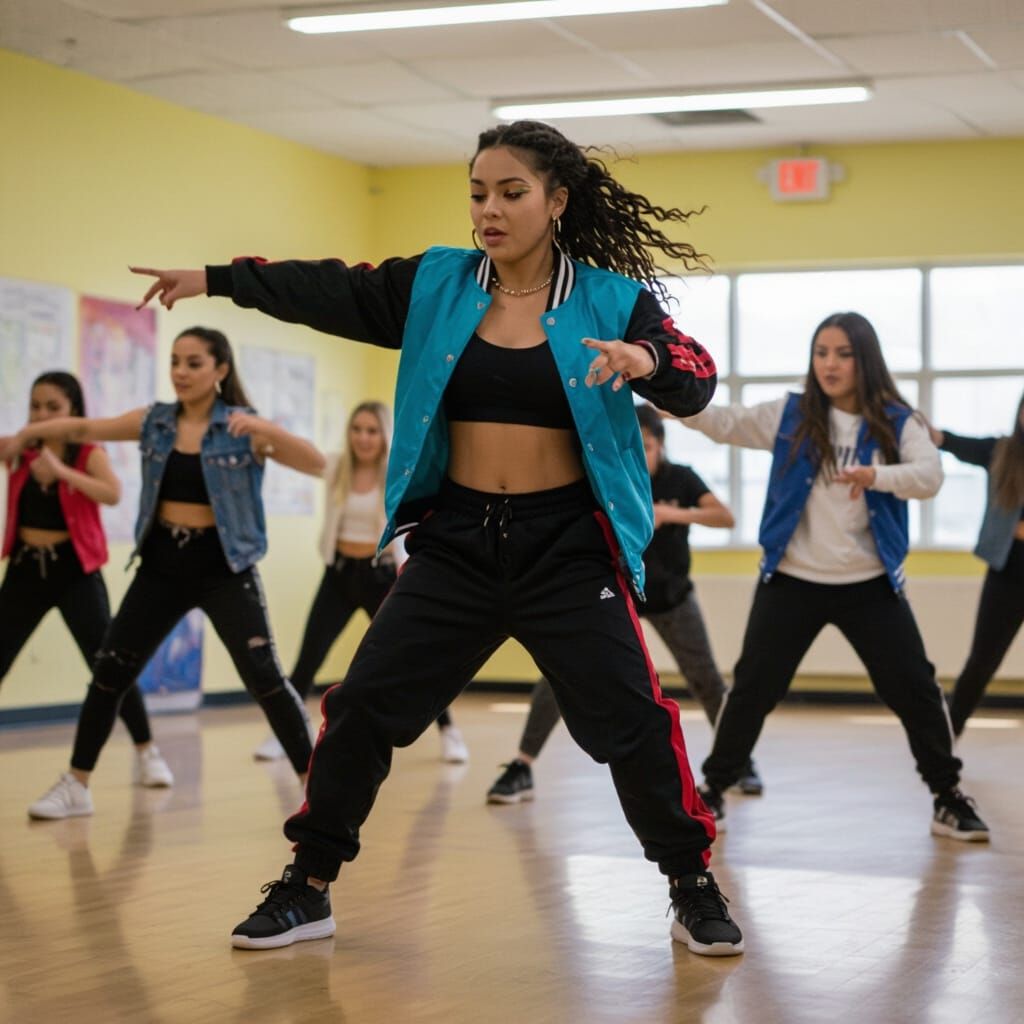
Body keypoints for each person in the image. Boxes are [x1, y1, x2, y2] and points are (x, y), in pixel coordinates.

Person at [131, 119, 744, 957]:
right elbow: (327, 288)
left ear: (556, 201)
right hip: (456, 541)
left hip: (566, 546)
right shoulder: (438, 284)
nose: (489, 210)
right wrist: (213, 279)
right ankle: (306, 885)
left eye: (511, 192)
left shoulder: (608, 297)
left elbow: (696, 369)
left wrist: (645, 361)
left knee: (631, 719)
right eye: (478, 193)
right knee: (361, 707)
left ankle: (691, 883)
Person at [679, 311, 989, 842]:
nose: (829, 363)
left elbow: (930, 476)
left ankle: (946, 796)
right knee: (753, 687)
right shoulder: (792, 414)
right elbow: (720, 422)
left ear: (864, 359)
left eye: (842, 353)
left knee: (915, 688)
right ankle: (715, 788)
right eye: (821, 352)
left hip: (869, 584)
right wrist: (665, 384)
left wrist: (876, 476)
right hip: (792, 581)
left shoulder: (896, 420)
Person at [1, 328, 323, 819]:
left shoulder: (241, 425)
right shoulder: (154, 422)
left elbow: (318, 464)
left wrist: (270, 433)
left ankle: (316, 790)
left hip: (224, 568)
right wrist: (28, 434)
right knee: (110, 669)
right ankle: (77, 784)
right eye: (175, 362)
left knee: (265, 677)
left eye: (194, 363)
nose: (180, 372)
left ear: (219, 370)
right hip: (162, 566)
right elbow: (86, 429)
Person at [487, 402, 762, 804]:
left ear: (662, 447)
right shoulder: (609, 478)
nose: (640, 453)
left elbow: (724, 517)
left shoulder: (681, 479)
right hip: (612, 595)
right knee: (557, 676)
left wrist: (670, 513)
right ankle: (522, 765)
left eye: (648, 446)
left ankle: (737, 761)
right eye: (632, 444)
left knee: (705, 678)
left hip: (671, 597)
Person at [252, 400, 469, 764]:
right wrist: (265, 438)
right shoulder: (338, 467)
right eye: (357, 430)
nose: (363, 438)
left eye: (371, 431)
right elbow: (300, 458)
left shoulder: (397, 471)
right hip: (338, 574)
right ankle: (284, 734)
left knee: (412, 659)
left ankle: (449, 731)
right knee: (309, 658)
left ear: (384, 435)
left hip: (380, 575)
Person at [1, 372, 172, 788]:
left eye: (52, 407)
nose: (41, 414)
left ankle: (147, 750)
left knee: (109, 664)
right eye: (35, 406)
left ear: (73, 411)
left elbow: (111, 494)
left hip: (75, 571)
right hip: (26, 568)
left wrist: (60, 471)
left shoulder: (86, 452)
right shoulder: (23, 447)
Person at [927, 392, 1024, 736]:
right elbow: (952, 442)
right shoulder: (1002, 453)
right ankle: (945, 737)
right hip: (1008, 574)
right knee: (982, 661)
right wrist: (927, 432)